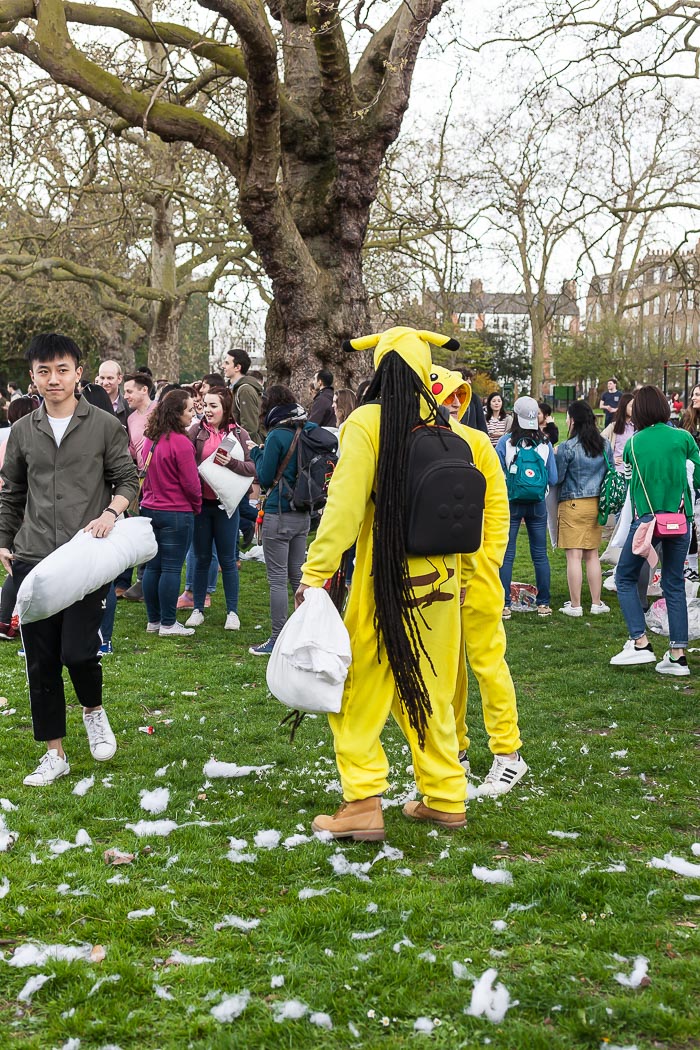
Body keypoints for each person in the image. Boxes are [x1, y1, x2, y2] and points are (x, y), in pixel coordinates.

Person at [296, 327, 473, 841]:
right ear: (423, 372)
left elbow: (344, 510)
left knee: (356, 688)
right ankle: (444, 796)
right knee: (430, 690)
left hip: (386, 586)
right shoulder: (446, 430)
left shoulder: (366, 424)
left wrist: (315, 572)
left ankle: (362, 800)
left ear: (379, 370)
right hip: (440, 584)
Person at [0, 333, 138, 786]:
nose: (53, 379)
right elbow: (12, 494)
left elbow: (127, 480)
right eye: (44, 371)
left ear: (79, 372)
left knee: (79, 651)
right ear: (33, 378)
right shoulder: (22, 431)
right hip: (34, 558)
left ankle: (93, 710)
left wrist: (110, 514)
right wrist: (4, 540)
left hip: (85, 557)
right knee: (40, 661)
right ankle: (54, 753)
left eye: (62, 369)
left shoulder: (104, 425)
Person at [433, 367, 527, 796]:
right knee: (447, 670)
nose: (453, 403)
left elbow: (497, 511)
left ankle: (509, 754)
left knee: (487, 663)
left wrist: (481, 568)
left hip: (476, 578)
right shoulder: (420, 443)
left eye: (460, 396)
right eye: (445, 394)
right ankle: (457, 749)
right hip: (438, 578)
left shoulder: (474, 444)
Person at [611, 385, 700, 675]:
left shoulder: (635, 443)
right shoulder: (684, 438)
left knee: (624, 577)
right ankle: (677, 654)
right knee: (674, 584)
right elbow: (697, 477)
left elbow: (629, 480)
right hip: (680, 520)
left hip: (647, 522)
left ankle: (640, 641)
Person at [247, 387, 315, 655]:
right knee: (298, 576)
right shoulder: (308, 429)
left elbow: (264, 477)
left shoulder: (276, 435)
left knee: (277, 579)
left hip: (278, 512)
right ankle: (306, 634)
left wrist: (255, 452)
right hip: (303, 512)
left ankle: (277, 637)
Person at [185, 387, 256, 631]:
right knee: (201, 558)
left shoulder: (239, 433)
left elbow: (253, 467)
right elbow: (185, 462)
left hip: (228, 505)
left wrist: (233, 463)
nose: (207, 410)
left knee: (227, 559)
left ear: (225, 407)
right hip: (201, 505)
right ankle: (197, 609)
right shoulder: (195, 432)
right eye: (205, 405)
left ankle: (232, 612)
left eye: (213, 405)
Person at [140, 389, 202, 636]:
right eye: (189, 410)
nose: (192, 414)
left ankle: (154, 620)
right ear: (177, 414)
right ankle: (168, 623)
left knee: (153, 567)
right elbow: (191, 483)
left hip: (150, 509)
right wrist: (196, 506)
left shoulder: (150, 439)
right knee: (172, 568)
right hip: (176, 511)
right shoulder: (181, 443)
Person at [496, 396, 557, 619]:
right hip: (538, 504)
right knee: (540, 555)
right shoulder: (545, 443)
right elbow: (553, 477)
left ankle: (504, 605)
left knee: (507, 554)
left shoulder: (505, 442)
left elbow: (495, 474)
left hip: (511, 502)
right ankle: (544, 603)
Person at [556, 400, 613, 617]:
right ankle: (597, 603)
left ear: (573, 420)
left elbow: (558, 477)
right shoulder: (604, 444)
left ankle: (576, 604)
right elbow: (611, 472)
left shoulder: (567, 447)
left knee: (573, 557)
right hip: (596, 504)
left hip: (572, 503)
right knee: (592, 555)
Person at [222, 349, 265, 442]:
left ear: (237, 367)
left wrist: (226, 448)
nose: (223, 366)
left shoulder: (245, 391)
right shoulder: (233, 389)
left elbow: (249, 429)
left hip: (246, 450)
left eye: (227, 363)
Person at [124, 372, 157, 471]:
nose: (125, 396)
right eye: (125, 392)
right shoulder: (131, 419)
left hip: (164, 475)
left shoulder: (162, 410)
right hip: (143, 478)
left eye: (129, 392)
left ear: (144, 390)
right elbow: (133, 450)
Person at [601, 393, 635, 472]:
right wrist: (611, 459)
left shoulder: (638, 427)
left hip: (633, 473)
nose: (634, 409)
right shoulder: (614, 426)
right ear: (624, 406)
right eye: (631, 406)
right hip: (618, 472)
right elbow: (598, 442)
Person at [98, 360, 131, 426]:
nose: (105, 383)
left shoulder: (129, 407)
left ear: (119, 379)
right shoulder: (89, 404)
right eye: (102, 378)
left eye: (110, 378)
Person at [458, 368, 489, 434]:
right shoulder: (446, 397)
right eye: (466, 378)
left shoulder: (474, 398)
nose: (470, 382)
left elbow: (481, 423)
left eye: (470, 379)